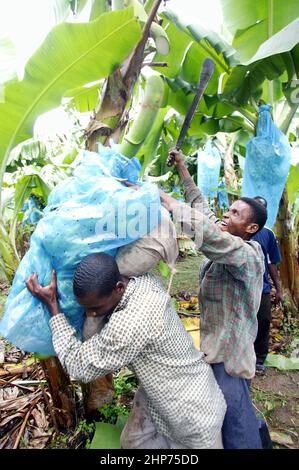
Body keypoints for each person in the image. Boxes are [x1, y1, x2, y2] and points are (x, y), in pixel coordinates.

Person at [26, 252, 226, 449]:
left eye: (95, 308)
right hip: (162, 391)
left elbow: (79, 366)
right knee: (132, 442)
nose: (91, 314)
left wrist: (53, 306)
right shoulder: (142, 279)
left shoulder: (129, 324)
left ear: (119, 288)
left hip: (192, 414)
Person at [157, 149, 268, 449]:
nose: (225, 215)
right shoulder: (230, 244)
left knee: (236, 426)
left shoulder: (246, 255)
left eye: (234, 214)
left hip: (230, 357)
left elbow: (206, 233)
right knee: (233, 411)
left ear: (251, 228)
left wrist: (168, 202)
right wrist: (182, 169)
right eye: (228, 209)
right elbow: (202, 210)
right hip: (215, 348)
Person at [252, 196, 283, 376]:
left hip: (261, 287)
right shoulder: (236, 230)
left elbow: (271, 263)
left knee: (263, 321)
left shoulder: (267, 234)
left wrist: (278, 289)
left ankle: (260, 359)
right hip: (240, 287)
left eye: (262, 209)